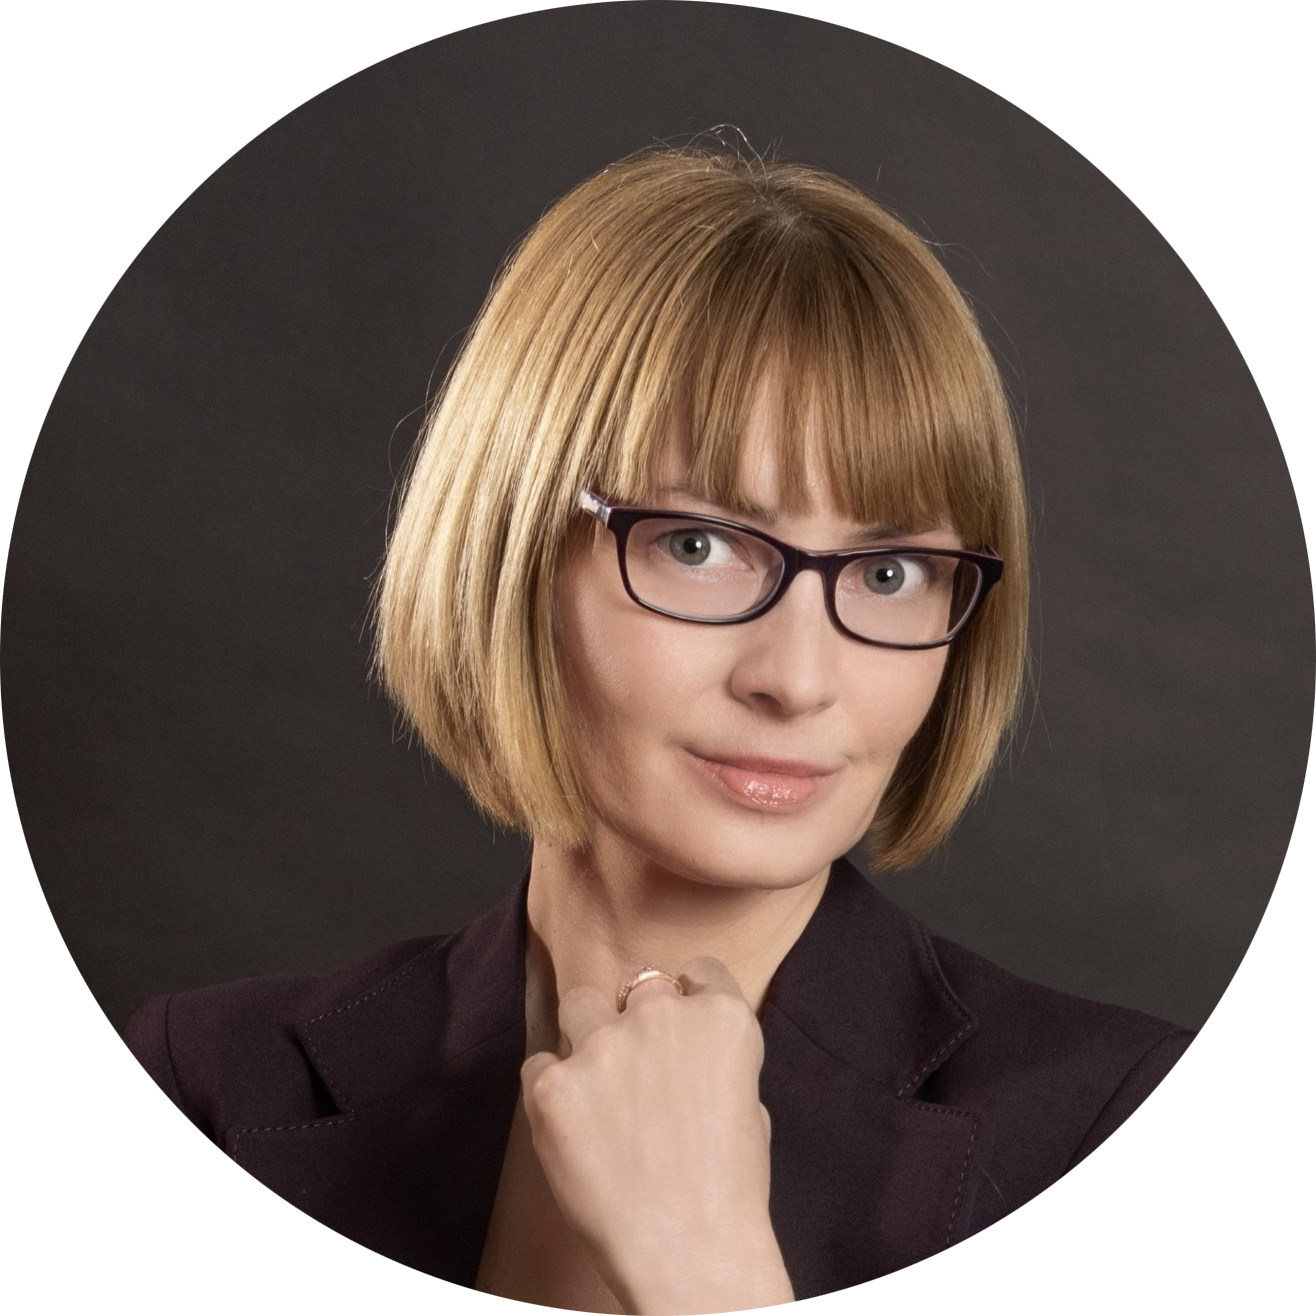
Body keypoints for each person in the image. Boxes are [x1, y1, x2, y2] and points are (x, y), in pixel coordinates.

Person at [124, 146, 1193, 1306]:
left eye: (889, 571)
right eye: (698, 544)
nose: (796, 678)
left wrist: (704, 1261)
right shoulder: (211, 1080)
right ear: (514, 549)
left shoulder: (1102, 1114)